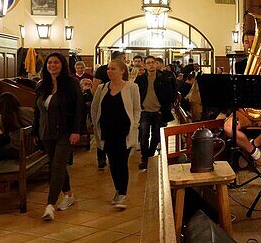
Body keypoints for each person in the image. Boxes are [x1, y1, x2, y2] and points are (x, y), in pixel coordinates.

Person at [34, 53, 86, 221]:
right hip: (46, 133)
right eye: (50, 62)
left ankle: (50, 205)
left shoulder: (72, 84)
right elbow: (37, 111)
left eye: (56, 62)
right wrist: (35, 131)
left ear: (63, 65)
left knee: (56, 167)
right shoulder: (42, 85)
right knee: (59, 166)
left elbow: (79, 108)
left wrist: (76, 131)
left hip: (65, 132)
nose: (53, 65)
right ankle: (69, 195)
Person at [222, 31, 261, 171]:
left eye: (253, 42)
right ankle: (256, 155)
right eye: (246, 42)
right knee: (228, 127)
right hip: (244, 111)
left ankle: (251, 146)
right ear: (243, 44)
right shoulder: (238, 66)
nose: (250, 45)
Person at [91, 59, 141, 209]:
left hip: (124, 132)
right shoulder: (102, 88)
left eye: (113, 69)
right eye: (108, 69)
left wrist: (135, 124)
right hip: (107, 131)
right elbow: (94, 109)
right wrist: (96, 124)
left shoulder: (132, 87)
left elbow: (137, 109)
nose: (109, 71)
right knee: (112, 162)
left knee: (122, 162)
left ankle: (123, 194)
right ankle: (118, 190)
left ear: (122, 71)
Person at [135, 55, 175, 170]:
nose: (151, 64)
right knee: (144, 135)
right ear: (144, 65)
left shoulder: (163, 78)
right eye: (148, 63)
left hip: (158, 111)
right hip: (145, 111)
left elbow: (170, 95)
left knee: (156, 136)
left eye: (153, 62)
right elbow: (136, 95)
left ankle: (149, 156)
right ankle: (145, 157)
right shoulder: (140, 79)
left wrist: (163, 109)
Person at [0, 92, 34, 161]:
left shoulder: (2, 118)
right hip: (35, 149)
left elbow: (5, 134)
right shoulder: (29, 111)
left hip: (19, 152)